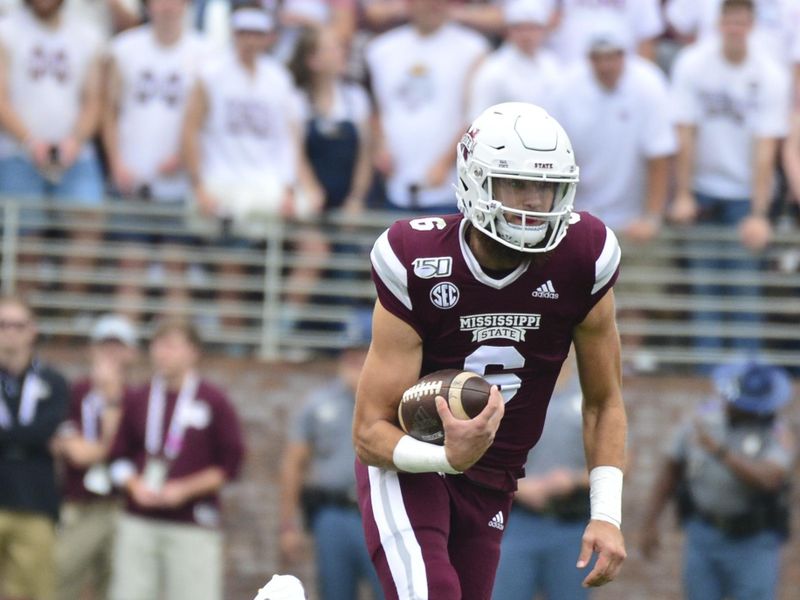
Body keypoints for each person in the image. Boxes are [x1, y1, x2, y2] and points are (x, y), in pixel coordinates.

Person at [352, 102, 627, 600]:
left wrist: (606, 513)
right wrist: (445, 457)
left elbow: (604, 401)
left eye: (545, 187)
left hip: (495, 479)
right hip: (409, 462)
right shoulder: (416, 260)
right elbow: (369, 432)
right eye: (517, 184)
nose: (534, 202)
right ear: (476, 180)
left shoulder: (582, 256)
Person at [669, 0, 791, 356]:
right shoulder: (693, 64)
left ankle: (745, 378)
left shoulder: (770, 73)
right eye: (729, 21)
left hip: (744, 194)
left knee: (745, 291)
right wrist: (684, 194)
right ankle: (707, 378)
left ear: (751, 25)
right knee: (705, 290)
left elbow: (766, 148)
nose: (734, 28)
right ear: (719, 23)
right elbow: (685, 133)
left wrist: (758, 212)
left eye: (741, 22)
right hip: (704, 190)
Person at [107, 319, 245, 600]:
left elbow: (230, 464)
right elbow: (117, 458)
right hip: (139, 519)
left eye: (172, 346)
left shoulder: (213, 399)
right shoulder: (138, 397)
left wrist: (184, 490)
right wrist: (135, 486)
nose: (162, 353)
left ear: (193, 352)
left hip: (192, 522)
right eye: (158, 345)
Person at [638, 360, 796, 600]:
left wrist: (720, 452)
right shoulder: (703, 420)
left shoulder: (776, 431)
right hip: (704, 533)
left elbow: (770, 477)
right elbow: (671, 470)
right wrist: (650, 522)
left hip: (754, 540)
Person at [103, 0, 211, 323]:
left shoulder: (204, 53)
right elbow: (108, 109)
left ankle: (177, 350)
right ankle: (126, 346)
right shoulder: (124, 48)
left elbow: (208, 117)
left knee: (176, 266)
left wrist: (185, 158)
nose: (167, 6)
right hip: (132, 177)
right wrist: (116, 162)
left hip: (178, 183)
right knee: (130, 266)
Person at [278, 310, 383, 600]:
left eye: (362, 352)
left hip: (382, 512)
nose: (354, 361)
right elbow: (293, 464)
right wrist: (288, 524)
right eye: (349, 352)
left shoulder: (395, 400)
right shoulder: (319, 403)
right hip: (334, 512)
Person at [365, 0, 488, 212]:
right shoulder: (380, 50)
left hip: (449, 188)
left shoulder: (473, 49)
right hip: (396, 184)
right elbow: (376, 109)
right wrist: (380, 147)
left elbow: (475, 116)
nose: (434, 6)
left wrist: (446, 163)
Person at [50, 314, 138, 600]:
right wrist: (106, 447)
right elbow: (77, 454)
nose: (111, 352)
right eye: (104, 345)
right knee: (61, 582)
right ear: (92, 349)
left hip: (124, 507)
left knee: (119, 589)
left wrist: (113, 400)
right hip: (81, 504)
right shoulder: (74, 392)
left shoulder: (139, 397)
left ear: (131, 353)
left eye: (118, 346)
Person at [491, 355, 592, 600]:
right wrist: (520, 487)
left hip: (572, 522)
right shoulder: (509, 385)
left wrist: (574, 480)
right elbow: (481, 457)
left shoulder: (591, 386)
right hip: (516, 522)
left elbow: (620, 461)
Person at [0, 295, 70, 600]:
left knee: (34, 590)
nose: (10, 332)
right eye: (3, 324)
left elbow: (49, 428)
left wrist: (15, 435)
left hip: (34, 500)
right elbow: (38, 434)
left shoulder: (54, 381)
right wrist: (31, 436)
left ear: (33, 330)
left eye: (18, 325)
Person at [467, 0, 560, 119]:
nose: (526, 35)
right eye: (520, 28)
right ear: (507, 31)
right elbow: (477, 117)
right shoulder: (493, 69)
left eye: (533, 28)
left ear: (543, 30)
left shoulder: (551, 64)